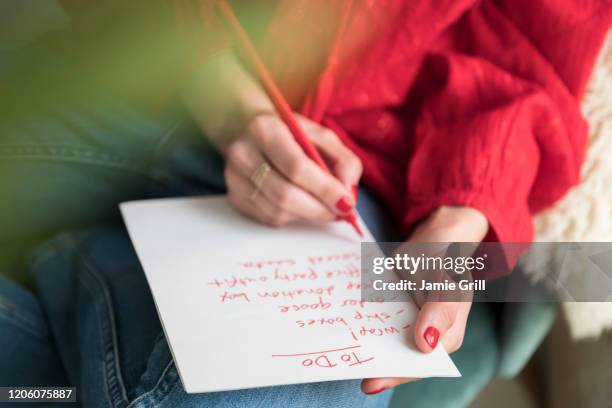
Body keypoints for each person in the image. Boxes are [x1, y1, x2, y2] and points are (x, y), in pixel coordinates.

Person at [0, 0, 609, 406]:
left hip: (354, 176)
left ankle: (87, 292)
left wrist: (456, 218)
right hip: (123, 86)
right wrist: (226, 99)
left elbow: (528, 61)